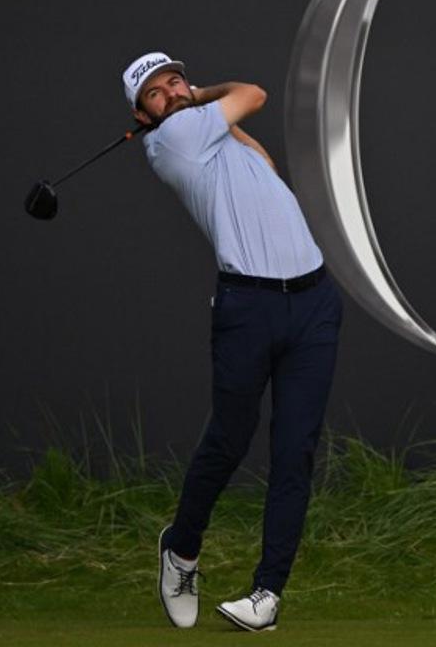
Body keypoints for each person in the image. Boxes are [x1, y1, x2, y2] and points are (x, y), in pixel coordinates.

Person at [122, 51, 343, 632]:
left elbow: (263, 165)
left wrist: (205, 104)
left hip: (315, 302)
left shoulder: (210, 136)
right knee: (229, 439)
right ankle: (182, 548)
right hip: (250, 306)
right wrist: (201, 96)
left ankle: (267, 594)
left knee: (295, 450)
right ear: (143, 118)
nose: (169, 93)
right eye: (155, 94)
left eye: (173, 80)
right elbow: (253, 91)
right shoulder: (171, 143)